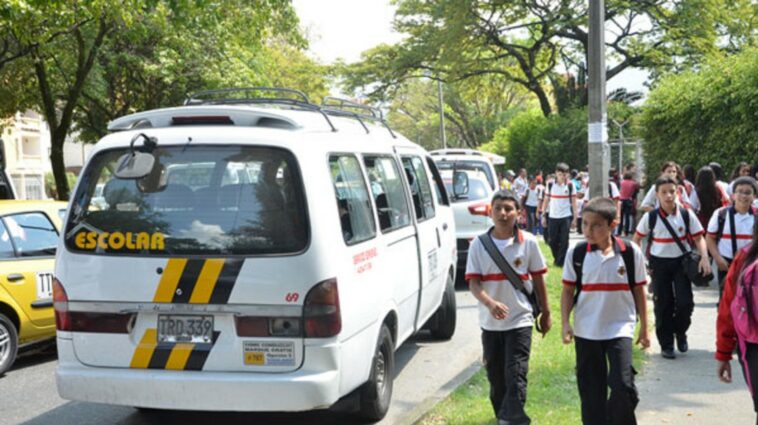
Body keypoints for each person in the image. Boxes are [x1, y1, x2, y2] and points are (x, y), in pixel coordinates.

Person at [466, 189, 551, 425]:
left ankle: (513, 419)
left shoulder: (529, 243)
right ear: (490, 212)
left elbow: (538, 280)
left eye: (508, 209)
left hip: (520, 319)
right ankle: (504, 415)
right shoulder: (478, 246)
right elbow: (474, 284)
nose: (503, 214)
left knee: (516, 373)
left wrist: (546, 313)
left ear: (519, 213)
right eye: (498, 209)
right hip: (490, 323)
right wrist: (490, 303)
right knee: (496, 377)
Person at [562, 197, 649, 425]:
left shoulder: (630, 252)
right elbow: (567, 291)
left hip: (620, 327)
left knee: (622, 384)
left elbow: (639, 291)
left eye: (596, 225)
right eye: (585, 224)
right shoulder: (577, 254)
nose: (588, 230)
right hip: (586, 329)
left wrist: (645, 330)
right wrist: (565, 323)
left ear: (612, 225)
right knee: (591, 391)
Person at [633, 176, 712, 359]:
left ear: (677, 192)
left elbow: (699, 237)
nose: (669, 196)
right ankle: (666, 344)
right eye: (664, 192)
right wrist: (639, 262)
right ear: (657, 195)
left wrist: (704, 258)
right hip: (659, 265)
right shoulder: (650, 217)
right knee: (663, 304)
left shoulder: (686, 214)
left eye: (672, 191)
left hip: (681, 263)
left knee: (685, 303)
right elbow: (637, 239)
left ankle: (680, 331)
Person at [715, 214, 758, 424]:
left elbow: (728, 308)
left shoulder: (745, 257)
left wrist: (724, 353)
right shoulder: (745, 258)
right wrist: (723, 352)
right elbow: (729, 307)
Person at [707, 177, 757, 296]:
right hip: (727, 263)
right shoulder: (721, 214)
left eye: (748, 192)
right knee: (726, 299)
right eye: (739, 191)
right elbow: (710, 238)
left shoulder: (756, 215)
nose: (743, 196)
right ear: (733, 195)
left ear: (754, 196)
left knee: (750, 301)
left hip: (751, 264)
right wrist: (718, 259)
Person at [541, 163, 578, 267]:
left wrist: (575, 218)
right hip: (552, 216)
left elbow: (574, 203)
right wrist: (543, 215)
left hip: (566, 216)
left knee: (564, 240)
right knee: (552, 241)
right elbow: (546, 200)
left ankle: (560, 262)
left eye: (565, 174)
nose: (563, 176)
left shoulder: (571, 185)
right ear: (556, 173)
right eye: (560, 173)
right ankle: (557, 258)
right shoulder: (550, 184)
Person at [618, 171, 640, 237]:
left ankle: (619, 232)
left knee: (621, 217)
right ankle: (626, 232)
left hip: (621, 200)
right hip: (628, 200)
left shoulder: (622, 182)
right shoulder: (633, 183)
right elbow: (638, 188)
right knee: (627, 217)